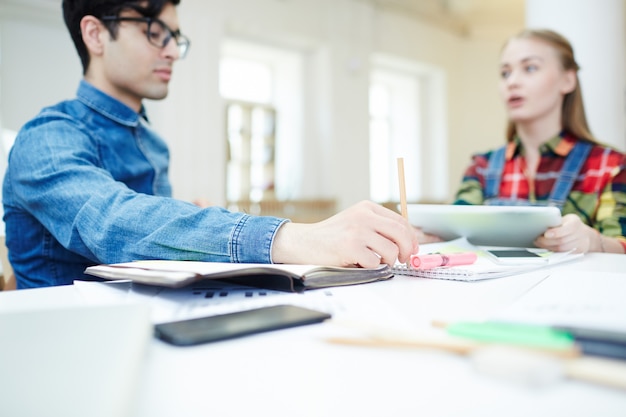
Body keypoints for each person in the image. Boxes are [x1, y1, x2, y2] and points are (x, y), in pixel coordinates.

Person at [2, 0, 418, 289]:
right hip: (71, 348)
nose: (171, 52)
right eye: (154, 32)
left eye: (175, 38)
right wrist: (297, 238)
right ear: (95, 33)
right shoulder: (46, 138)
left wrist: (186, 225)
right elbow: (112, 223)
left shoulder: (151, 143)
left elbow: (146, 249)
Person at [453, 28, 626, 254]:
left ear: (567, 80)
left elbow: (622, 244)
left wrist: (594, 242)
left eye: (530, 68)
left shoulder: (610, 166)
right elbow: (452, 233)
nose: (512, 82)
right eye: (505, 73)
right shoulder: (481, 167)